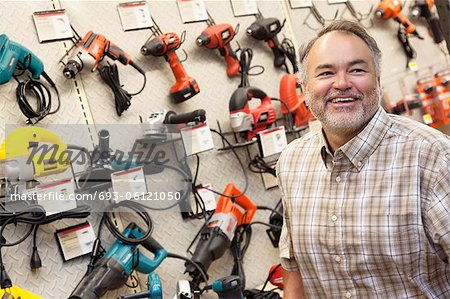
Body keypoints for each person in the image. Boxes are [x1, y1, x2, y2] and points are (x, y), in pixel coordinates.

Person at [277, 20, 450, 298]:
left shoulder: (431, 156)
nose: (342, 83)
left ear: (378, 82)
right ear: (305, 88)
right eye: (326, 73)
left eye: (357, 70)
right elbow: (293, 267)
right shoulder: (291, 163)